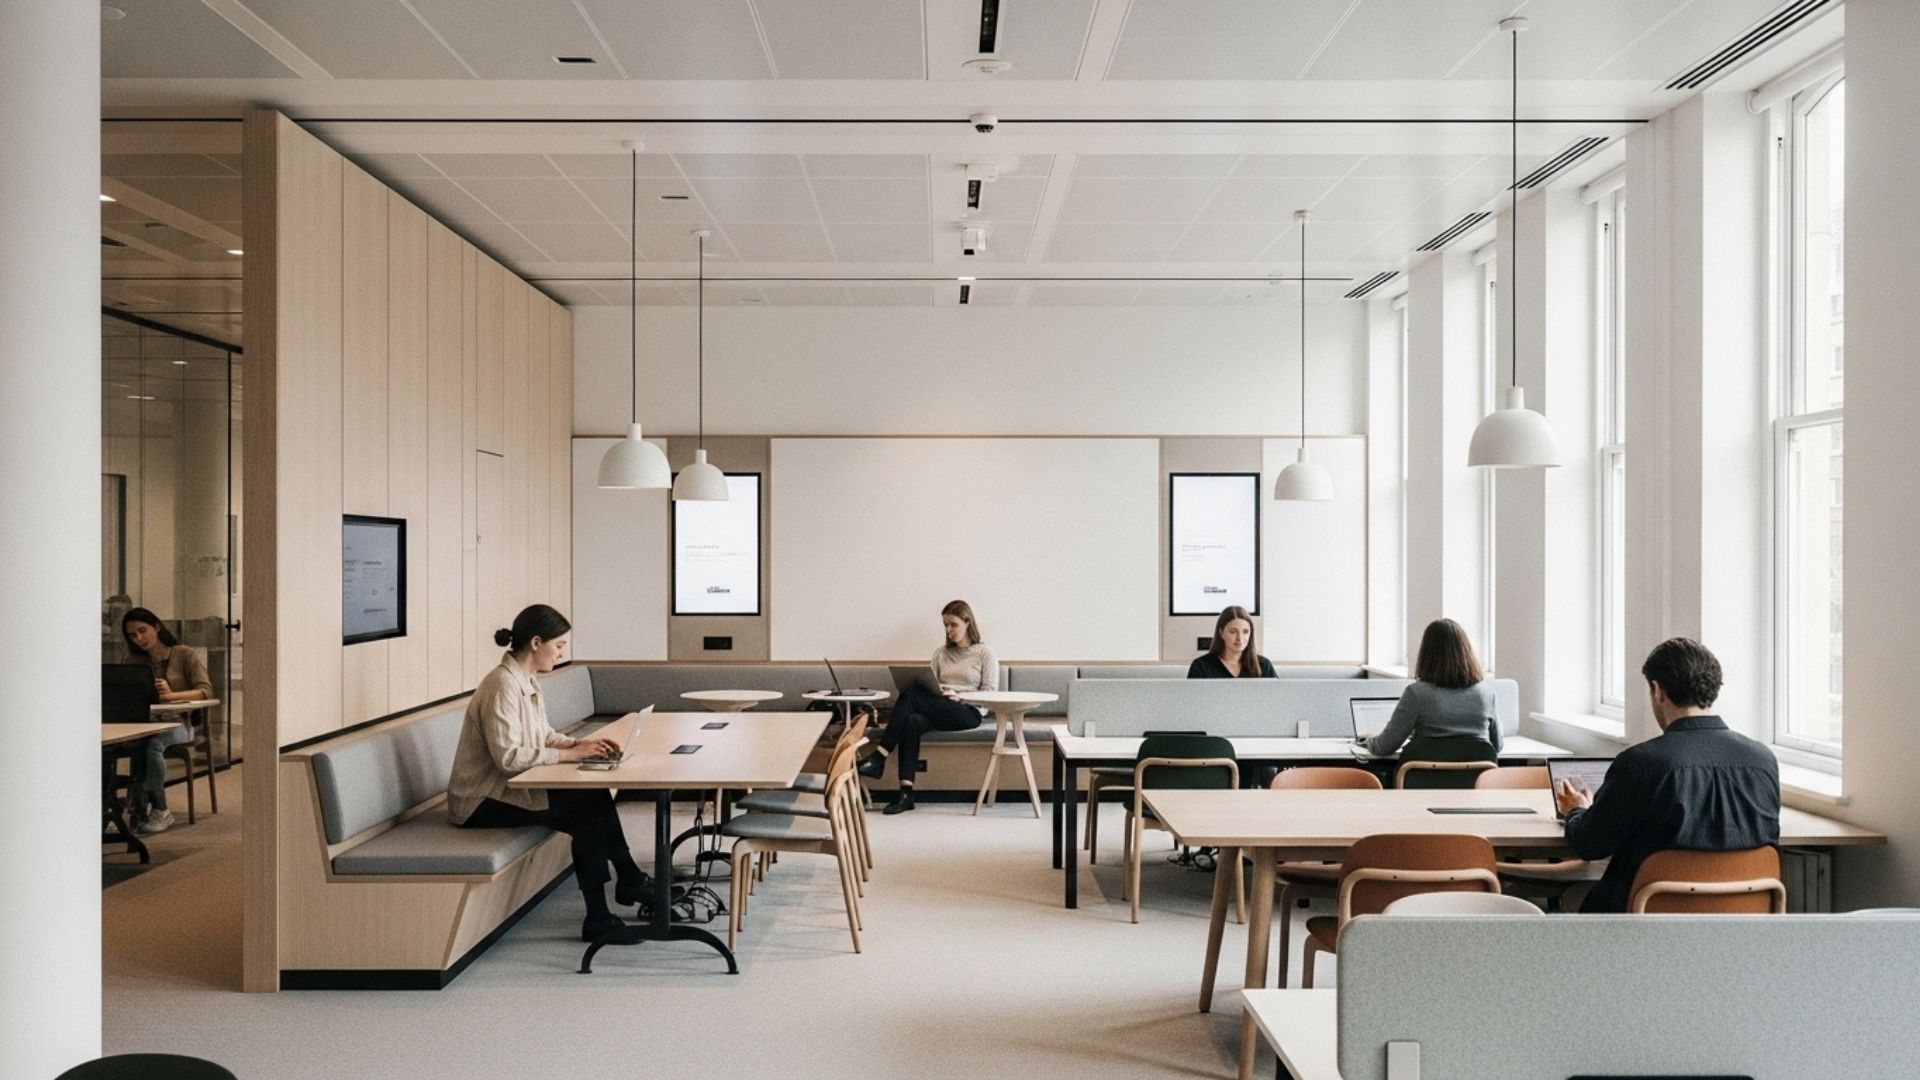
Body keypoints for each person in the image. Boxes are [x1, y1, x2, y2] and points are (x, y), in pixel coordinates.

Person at [447, 604, 652, 942]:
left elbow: (542, 734)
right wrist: (570, 755)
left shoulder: (526, 680)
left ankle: (627, 881)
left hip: (508, 790)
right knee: (586, 813)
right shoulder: (502, 686)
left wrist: (582, 744)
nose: (561, 654)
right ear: (536, 642)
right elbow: (509, 758)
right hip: (479, 802)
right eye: (559, 646)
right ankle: (603, 913)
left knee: (593, 796)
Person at [1554, 637, 1780, 913]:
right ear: (1713, 690)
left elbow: (1590, 845)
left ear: (1657, 690)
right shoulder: (1763, 759)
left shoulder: (1641, 762)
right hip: (1739, 921)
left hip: (1643, 921)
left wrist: (1576, 810)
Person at [857, 600, 998, 815]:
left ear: (967, 622)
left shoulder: (984, 653)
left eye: (953, 624)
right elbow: (928, 683)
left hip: (968, 712)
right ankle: (906, 792)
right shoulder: (940, 653)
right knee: (912, 720)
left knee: (910, 696)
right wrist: (938, 691)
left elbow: (990, 694)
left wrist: (960, 696)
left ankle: (880, 755)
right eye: (945, 625)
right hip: (939, 707)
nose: (948, 630)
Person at [121, 608, 212, 834]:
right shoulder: (133, 660)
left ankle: (160, 808)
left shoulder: (183, 654)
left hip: (180, 724)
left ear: (157, 627)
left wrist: (172, 696)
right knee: (126, 744)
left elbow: (205, 691)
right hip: (146, 722)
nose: (139, 639)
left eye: (143, 631)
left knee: (153, 743)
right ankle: (131, 807)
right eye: (133, 635)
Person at [1364, 618, 1502, 757]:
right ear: (1467, 652)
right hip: (1476, 778)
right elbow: (1498, 745)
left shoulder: (1416, 693)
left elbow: (1384, 747)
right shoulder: (1486, 694)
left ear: (1427, 653)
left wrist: (1368, 741)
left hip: (1424, 778)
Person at [1186, 606, 1276, 679]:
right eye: (1233, 632)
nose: (1240, 638)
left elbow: (1278, 697)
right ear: (1221, 633)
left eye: (1245, 632)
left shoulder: (1263, 665)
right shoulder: (1201, 667)